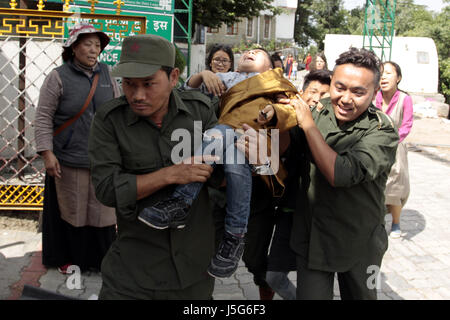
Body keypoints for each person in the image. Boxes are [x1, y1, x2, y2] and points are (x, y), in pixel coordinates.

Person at [139, 48, 299, 279]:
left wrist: (273, 112)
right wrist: (203, 74)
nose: (250, 52)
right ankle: (218, 226)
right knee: (223, 141)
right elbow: (187, 90)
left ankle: (188, 205)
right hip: (224, 151)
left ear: (271, 68)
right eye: (246, 51)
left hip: (254, 146)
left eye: (258, 52)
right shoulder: (229, 79)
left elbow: (291, 110)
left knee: (226, 144)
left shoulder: (276, 82)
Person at [88, 34, 220, 299]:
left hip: (193, 274)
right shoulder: (110, 120)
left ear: (173, 77)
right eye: (129, 84)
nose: (137, 95)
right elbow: (106, 190)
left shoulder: (199, 113)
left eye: (148, 84)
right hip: (132, 272)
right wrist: (170, 175)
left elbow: (222, 180)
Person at [288, 47, 399, 300]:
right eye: (340, 88)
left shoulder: (382, 131)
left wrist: (307, 125)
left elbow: (341, 174)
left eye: (358, 92)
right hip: (313, 237)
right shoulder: (318, 109)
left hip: (361, 241)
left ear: (374, 93)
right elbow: (290, 146)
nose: (346, 99)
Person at [34, 23, 119, 274]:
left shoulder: (107, 74)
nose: (94, 50)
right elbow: (43, 118)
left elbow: (115, 111)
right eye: (87, 44)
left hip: (101, 158)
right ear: (73, 48)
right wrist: (47, 153)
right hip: (68, 158)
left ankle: (100, 260)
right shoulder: (58, 76)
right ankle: (67, 259)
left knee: (102, 212)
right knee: (72, 210)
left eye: (97, 45)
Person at [265, 69, 332, 300]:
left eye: (325, 93)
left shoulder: (332, 128)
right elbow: (280, 152)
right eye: (313, 91)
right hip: (288, 211)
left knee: (313, 287)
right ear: (301, 93)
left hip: (317, 219)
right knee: (273, 276)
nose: (317, 98)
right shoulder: (291, 120)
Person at [375, 61, 413, 239]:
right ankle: (377, 220)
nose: (384, 76)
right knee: (377, 184)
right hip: (375, 145)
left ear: (398, 77)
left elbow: (406, 125)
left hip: (396, 147)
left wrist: (393, 139)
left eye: (389, 73)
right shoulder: (374, 96)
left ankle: (396, 223)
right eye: (381, 73)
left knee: (395, 186)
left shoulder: (405, 99)